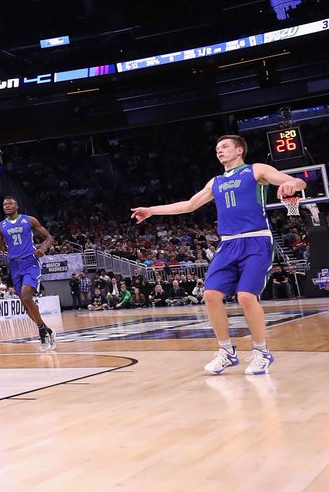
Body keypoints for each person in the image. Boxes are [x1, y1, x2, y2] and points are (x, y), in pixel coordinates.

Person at [131, 133, 306, 376]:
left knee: (246, 296)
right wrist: (152, 210)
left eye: (224, 147)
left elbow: (296, 182)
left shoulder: (256, 170)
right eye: (217, 149)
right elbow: (189, 204)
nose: (219, 151)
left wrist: (291, 184)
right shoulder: (215, 182)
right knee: (211, 294)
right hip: (228, 244)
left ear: (239, 151)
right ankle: (226, 351)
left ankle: (261, 351)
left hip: (256, 240)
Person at [0, 197, 56, 350]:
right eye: (4, 204)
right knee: (26, 305)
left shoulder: (29, 220)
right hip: (14, 265)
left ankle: (41, 332)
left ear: (17, 206)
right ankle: (46, 329)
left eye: (10, 203)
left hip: (30, 261)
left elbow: (48, 237)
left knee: (26, 295)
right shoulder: (1, 226)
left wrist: (43, 249)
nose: (7, 205)